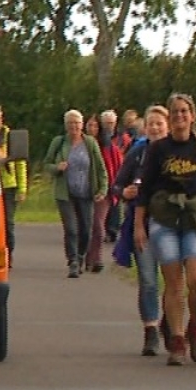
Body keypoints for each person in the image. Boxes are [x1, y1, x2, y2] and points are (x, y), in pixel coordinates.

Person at [137, 93, 196, 365]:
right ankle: (177, 340)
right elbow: (144, 189)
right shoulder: (158, 150)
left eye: (184, 112)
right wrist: (139, 225)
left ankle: (195, 326)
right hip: (165, 219)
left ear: (193, 116)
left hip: (195, 218)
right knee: (174, 283)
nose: (180, 116)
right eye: (175, 112)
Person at [115, 105, 169, 356]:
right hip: (142, 226)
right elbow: (117, 185)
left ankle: (171, 322)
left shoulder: (177, 153)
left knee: (173, 281)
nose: (156, 128)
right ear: (145, 127)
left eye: (160, 123)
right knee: (148, 280)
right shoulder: (138, 153)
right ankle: (151, 330)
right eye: (152, 124)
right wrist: (124, 193)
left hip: (171, 225)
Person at [43, 110, 106, 279]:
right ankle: (73, 261)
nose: (74, 126)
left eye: (77, 123)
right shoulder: (59, 142)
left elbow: (100, 168)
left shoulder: (90, 143)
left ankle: (81, 256)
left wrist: (102, 189)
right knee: (71, 229)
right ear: (66, 125)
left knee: (86, 229)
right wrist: (57, 167)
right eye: (71, 123)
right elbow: (46, 163)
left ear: (82, 124)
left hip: (86, 192)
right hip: (65, 193)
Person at [0, 106, 27, 260]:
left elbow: (20, 163)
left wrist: (22, 189)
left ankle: (9, 253)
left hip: (9, 185)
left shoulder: (10, 137)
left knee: (8, 223)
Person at [82, 113, 111, 273]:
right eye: (89, 125)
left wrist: (107, 189)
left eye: (95, 126)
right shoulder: (80, 145)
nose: (92, 128)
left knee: (99, 227)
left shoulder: (107, 146)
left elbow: (111, 169)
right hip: (83, 191)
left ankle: (97, 258)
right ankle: (85, 257)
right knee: (86, 226)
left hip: (102, 191)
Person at [100, 110, 125, 243]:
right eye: (106, 123)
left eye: (111, 123)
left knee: (116, 205)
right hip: (104, 174)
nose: (109, 125)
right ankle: (104, 231)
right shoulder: (100, 139)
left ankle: (113, 231)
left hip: (118, 172)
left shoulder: (122, 137)